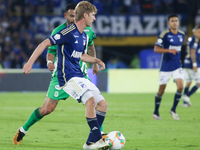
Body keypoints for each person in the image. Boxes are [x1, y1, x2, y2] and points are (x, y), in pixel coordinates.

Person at [13, 1, 110, 149]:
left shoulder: (86, 33)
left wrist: (96, 61)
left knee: (100, 102)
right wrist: (32, 62)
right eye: (93, 16)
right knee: (47, 109)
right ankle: (23, 130)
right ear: (69, 15)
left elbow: (85, 51)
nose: (73, 18)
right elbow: (47, 47)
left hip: (81, 74)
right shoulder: (64, 32)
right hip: (64, 76)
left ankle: (96, 136)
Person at [152, 14, 185, 121]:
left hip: (177, 66)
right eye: (172, 21)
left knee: (180, 87)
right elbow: (156, 49)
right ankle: (156, 112)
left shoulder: (182, 34)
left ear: (178, 22)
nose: (175, 22)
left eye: (176, 20)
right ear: (168, 23)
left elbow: (179, 50)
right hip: (166, 66)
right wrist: (169, 50)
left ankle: (173, 110)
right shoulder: (164, 34)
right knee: (161, 90)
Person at [182, 25, 200, 107]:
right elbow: (192, 53)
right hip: (192, 64)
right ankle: (186, 96)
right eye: (199, 32)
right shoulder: (195, 39)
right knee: (199, 83)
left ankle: (185, 103)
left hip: (186, 63)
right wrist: (195, 64)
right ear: (194, 31)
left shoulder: (190, 38)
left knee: (188, 82)